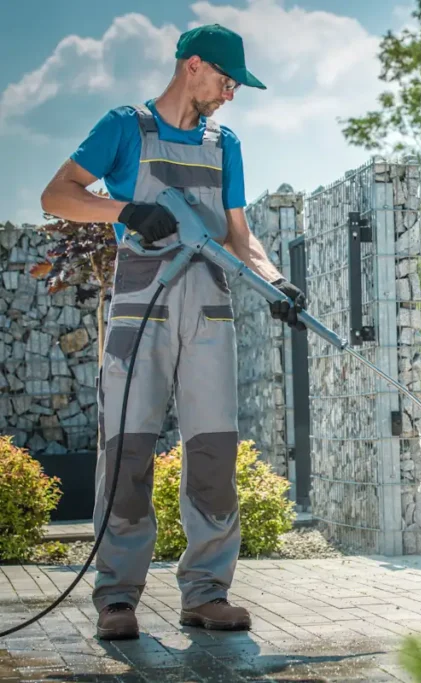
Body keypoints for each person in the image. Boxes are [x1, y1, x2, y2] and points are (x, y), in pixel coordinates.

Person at [39, 23, 307, 640]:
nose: (231, 92)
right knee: (127, 449)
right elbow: (59, 195)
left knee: (213, 451)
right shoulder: (123, 127)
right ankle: (117, 598)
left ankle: (207, 594)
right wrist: (125, 209)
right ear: (192, 65)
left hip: (209, 307)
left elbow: (240, 236)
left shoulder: (225, 142)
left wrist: (275, 281)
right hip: (140, 307)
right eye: (226, 78)